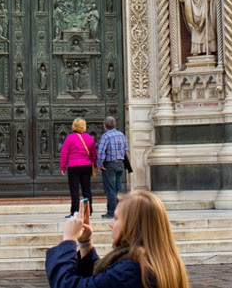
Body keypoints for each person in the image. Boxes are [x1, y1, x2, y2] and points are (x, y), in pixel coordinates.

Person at [45, 189, 189, 288]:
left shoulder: (132, 270)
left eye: (116, 218)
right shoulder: (159, 261)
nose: (110, 224)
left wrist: (68, 240)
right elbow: (101, 280)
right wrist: (85, 243)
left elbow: (67, 285)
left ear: (132, 225)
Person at [60, 118, 97, 218]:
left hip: (73, 166)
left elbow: (64, 153)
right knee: (86, 189)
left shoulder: (70, 138)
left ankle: (75, 212)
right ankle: (88, 212)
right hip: (86, 166)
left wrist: (63, 166)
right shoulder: (90, 138)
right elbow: (94, 153)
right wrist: (95, 164)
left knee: (74, 190)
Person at [97, 116, 128, 219]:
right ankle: (121, 211)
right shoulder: (121, 135)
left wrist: (100, 165)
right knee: (119, 189)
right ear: (114, 125)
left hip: (110, 165)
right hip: (120, 163)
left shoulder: (106, 136)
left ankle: (111, 212)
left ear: (105, 126)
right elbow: (125, 148)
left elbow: (101, 151)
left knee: (111, 189)